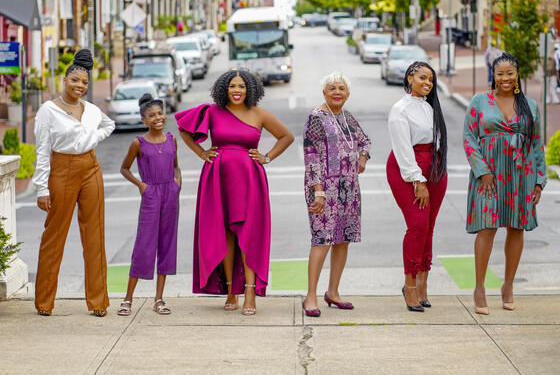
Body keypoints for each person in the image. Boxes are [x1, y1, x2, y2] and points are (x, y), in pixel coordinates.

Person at [175, 70, 294, 315]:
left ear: (249, 89)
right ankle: (230, 290)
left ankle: (250, 292)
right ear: (224, 89)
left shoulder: (259, 114)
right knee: (224, 233)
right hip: (216, 179)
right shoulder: (211, 111)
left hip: (250, 179)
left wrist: (267, 157)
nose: (236, 90)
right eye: (231, 86)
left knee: (248, 234)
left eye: (241, 86)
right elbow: (184, 129)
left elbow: (287, 136)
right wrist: (201, 153)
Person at [32, 49, 115, 317]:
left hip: (91, 167)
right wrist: (42, 188)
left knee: (95, 234)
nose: (79, 86)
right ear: (64, 80)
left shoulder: (91, 110)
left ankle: (99, 301)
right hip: (62, 169)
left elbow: (109, 124)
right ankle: (44, 301)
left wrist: (95, 139)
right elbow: (42, 151)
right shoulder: (48, 111)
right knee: (54, 235)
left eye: (84, 82)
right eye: (75, 80)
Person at [463, 52, 546, 315]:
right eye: (500, 73)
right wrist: (482, 170)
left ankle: (508, 286)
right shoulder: (479, 101)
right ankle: (479, 288)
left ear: (517, 74)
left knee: (516, 228)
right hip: (487, 176)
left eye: (510, 73)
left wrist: (539, 181)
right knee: (487, 227)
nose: (505, 78)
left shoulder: (530, 106)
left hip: (522, 174)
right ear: (493, 76)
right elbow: (469, 137)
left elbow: (536, 144)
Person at [302, 72, 371, 317]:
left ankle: (333, 292)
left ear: (348, 94)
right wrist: (317, 191)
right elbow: (310, 157)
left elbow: (365, 141)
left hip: (349, 188)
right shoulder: (316, 118)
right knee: (322, 240)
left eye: (341, 88)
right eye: (331, 88)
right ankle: (311, 296)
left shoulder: (348, 117)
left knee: (342, 239)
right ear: (324, 93)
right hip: (323, 189)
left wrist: (362, 158)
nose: (337, 92)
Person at [386, 61, 448, 312]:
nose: (427, 83)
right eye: (422, 77)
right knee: (418, 225)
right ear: (410, 78)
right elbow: (402, 148)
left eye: (431, 80)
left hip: (434, 167)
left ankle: (423, 282)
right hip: (408, 169)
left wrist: (436, 171)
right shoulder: (399, 109)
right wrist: (418, 180)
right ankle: (409, 284)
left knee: (429, 227)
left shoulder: (431, 107)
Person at [117, 94, 181, 316]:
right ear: (144, 120)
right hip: (151, 194)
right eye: (152, 115)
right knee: (144, 245)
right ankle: (128, 299)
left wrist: (177, 182)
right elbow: (124, 168)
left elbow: (176, 167)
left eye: (160, 113)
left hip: (170, 194)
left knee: (166, 245)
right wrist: (141, 185)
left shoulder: (172, 139)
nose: (158, 118)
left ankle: (159, 299)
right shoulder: (138, 143)